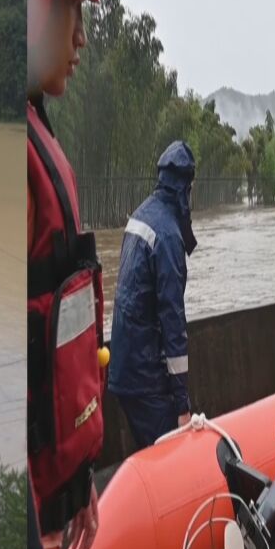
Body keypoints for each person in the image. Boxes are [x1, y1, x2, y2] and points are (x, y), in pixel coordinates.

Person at [26, 0, 104, 549]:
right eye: (72, 11)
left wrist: (78, 480)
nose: (80, 38)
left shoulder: (39, 141)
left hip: (54, 505)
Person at [107, 141, 197, 449]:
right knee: (168, 458)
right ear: (185, 189)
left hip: (123, 369)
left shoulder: (140, 216)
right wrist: (183, 405)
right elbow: (173, 323)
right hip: (145, 377)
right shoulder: (169, 236)